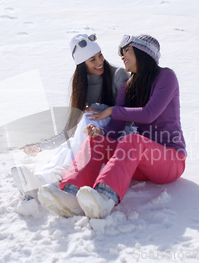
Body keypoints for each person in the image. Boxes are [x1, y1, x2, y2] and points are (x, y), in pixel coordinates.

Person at [38, 34, 187, 218]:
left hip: (170, 158)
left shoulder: (166, 77)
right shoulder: (127, 87)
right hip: (139, 163)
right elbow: (115, 128)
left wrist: (112, 110)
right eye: (121, 53)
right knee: (96, 142)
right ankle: (70, 193)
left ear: (142, 52)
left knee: (132, 140)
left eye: (126, 51)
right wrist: (100, 132)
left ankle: (104, 198)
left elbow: (149, 114)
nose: (122, 57)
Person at [11, 33, 132, 200]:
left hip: (119, 136)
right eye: (92, 60)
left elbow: (130, 114)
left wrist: (107, 111)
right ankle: (40, 180)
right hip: (92, 138)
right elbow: (70, 131)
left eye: (100, 55)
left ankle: (62, 172)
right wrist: (41, 146)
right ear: (82, 65)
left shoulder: (118, 75)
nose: (99, 62)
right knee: (72, 139)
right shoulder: (81, 86)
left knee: (91, 113)